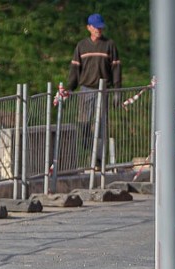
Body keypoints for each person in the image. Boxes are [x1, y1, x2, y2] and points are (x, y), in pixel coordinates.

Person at [67, 14, 121, 166]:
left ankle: (99, 159)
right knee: (83, 123)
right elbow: (75, 69)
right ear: (89, 27)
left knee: (101, 125)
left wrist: (117, 90)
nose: (99, 30)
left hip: (103, 90)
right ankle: (89, 147)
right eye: (96, 27)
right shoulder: (81, 46)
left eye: (101, 27)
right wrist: (70, 88)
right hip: (85, 90)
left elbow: (116, 68)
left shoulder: (109, 45)